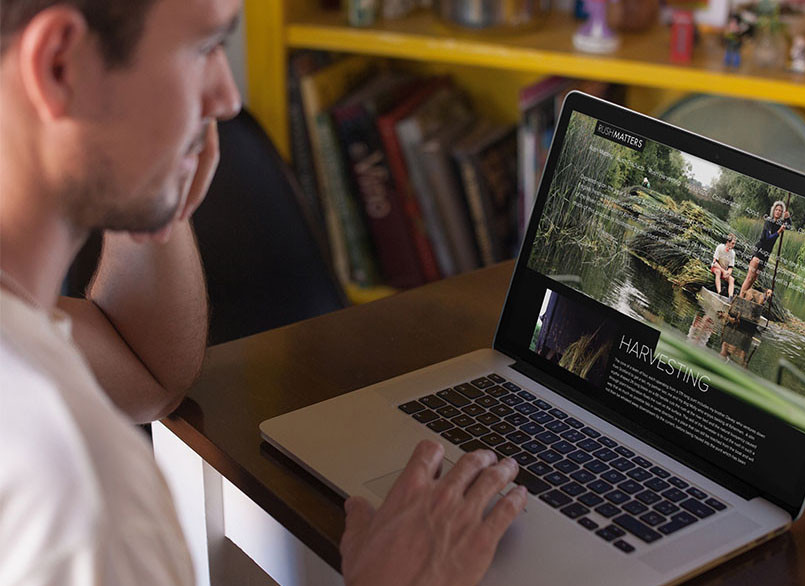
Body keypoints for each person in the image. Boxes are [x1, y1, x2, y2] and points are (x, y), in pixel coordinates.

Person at [0, 1, 525, 584]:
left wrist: (149, 183)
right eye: (204, 49)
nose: (227, 97)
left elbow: (144, 373)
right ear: (59, 67)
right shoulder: (70, 487)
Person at [739, 201, 791, 295]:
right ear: (773, 210)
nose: (778, 212)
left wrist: (788, 218)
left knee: (754, 279)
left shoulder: (780, 223)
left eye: (780, 210)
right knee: (750, 277)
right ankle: (740, 297)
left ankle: (744, 298)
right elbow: (767, 238)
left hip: (767, 253)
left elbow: (789, 227)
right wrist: (778, 232)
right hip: (759, 250)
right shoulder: (768, 221)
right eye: (777, 210)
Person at [710, 233, 737, 298]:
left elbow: (730, 267)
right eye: (732, 243)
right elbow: (714, 262)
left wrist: (727, 273)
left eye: (734, 244)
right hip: (716, 268)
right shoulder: (720, 247)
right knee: (718, 272)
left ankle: (730, 297)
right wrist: (723, 271)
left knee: (732, 279)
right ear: (728, 242)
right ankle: (719, 292)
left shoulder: (732, 253)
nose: (733, 245)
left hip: (724, 271)